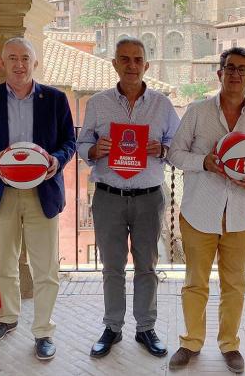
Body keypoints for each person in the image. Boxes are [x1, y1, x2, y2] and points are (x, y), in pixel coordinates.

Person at [0, 36, 76, 360]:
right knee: (6, 263)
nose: (19, 64)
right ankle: (8, 317)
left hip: (42, 191)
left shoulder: (55, 99)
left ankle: (43, 331)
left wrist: (55, 160)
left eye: (25, 58)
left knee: (45, 269)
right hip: (1, 192)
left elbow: (69, 141)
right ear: (3, 62)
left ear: (35, 63)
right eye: (12, 58)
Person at [167, 47, 245, 374]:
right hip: (199, 211)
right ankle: (191, 342)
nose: (236, 74)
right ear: (219, 73)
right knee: (195, 282)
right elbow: (174, 154)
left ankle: (229, 345)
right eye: (230, 68)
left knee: (234, 284)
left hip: (238, 214)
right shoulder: (197, 112)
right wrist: (204, 162)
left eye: (243, 70)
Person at [77, 37, 180, 359]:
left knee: (147, 266)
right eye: (125, 59)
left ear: (146, 65)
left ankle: (146, 327)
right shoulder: (97, 103)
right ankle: (112, 327)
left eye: (138, 60)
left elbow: (177, 148)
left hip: (149, 197)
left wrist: (161, 150)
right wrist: (96, 150)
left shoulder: (162, 104)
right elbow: (82, 145)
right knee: (112, 266)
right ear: (115, 64)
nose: (131, 65)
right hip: (108, 195)